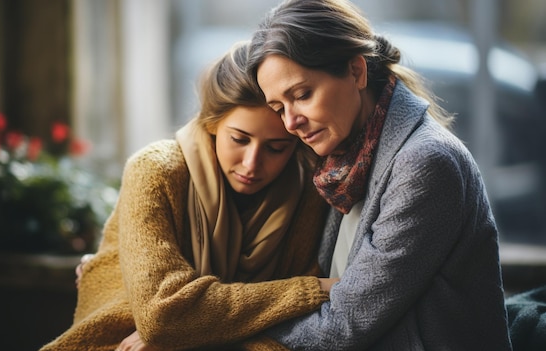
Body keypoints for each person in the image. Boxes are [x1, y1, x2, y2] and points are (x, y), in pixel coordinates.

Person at [246, 0, 512, 349]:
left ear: (356, 71)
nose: (290, 122)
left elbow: (345, 324)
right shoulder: (340, 162)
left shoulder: (424, 164)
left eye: (302, 95)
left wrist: (217, 336)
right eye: (279, 107)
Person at [39, 41, 334, 351]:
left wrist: (190, 331)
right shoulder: (156, 170)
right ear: (212, 124)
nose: (252, 164)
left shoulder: (305, 196)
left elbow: (295, 332)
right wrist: (311, 290)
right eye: (239, 139)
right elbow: (163, 317)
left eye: (276, 148)